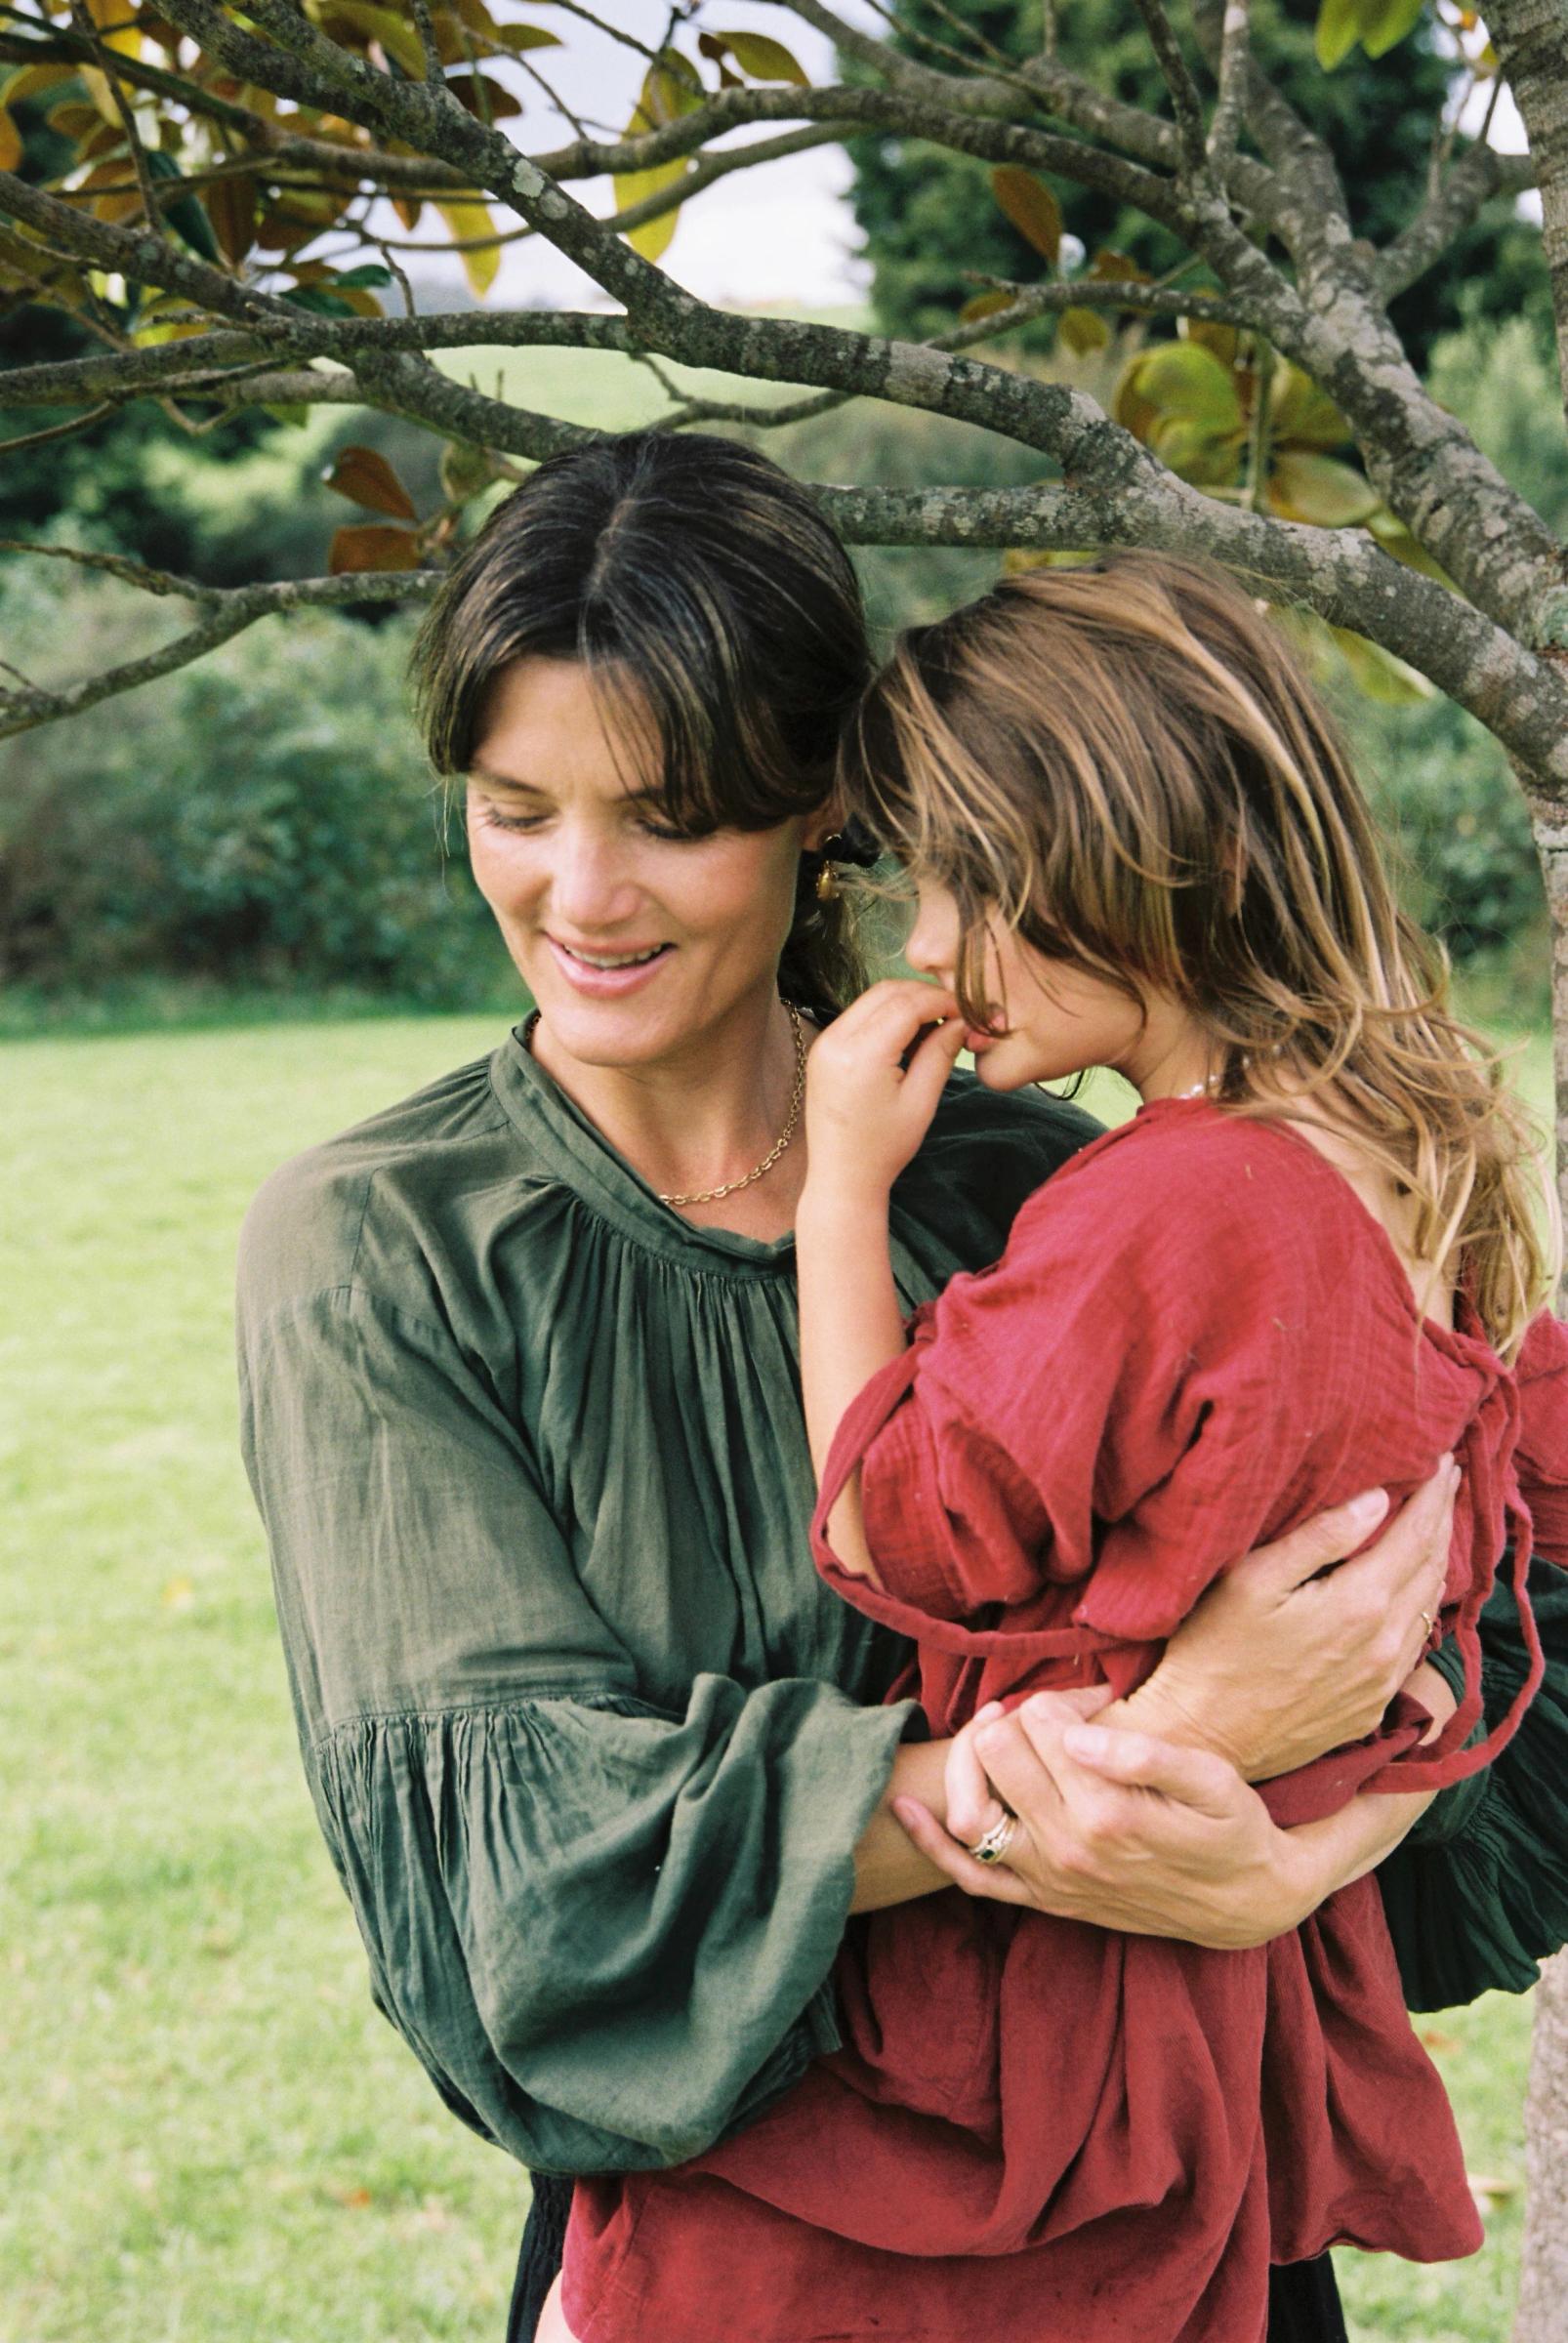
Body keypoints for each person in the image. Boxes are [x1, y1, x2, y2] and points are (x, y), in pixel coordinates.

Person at [232, 436, 1568, 2343]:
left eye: (666, 813)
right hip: (752, 2266)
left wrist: (1278, 1862)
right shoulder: (387, 1249)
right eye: (515, 807)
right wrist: (1157, 1741)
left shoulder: (1051, 1186)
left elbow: (1460, 1621)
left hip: (1176, 2236)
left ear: (815, 808)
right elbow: (522, 1907)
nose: (580, 892)